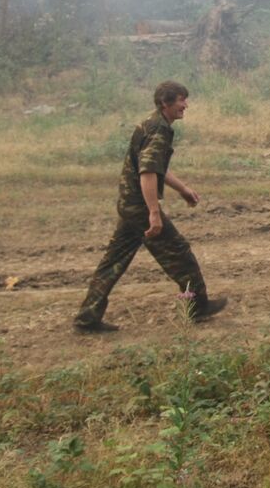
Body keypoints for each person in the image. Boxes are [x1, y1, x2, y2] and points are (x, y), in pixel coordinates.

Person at [73, 81, 228, 332]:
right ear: (166, 103)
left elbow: (156, 168)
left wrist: (182, 188)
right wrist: (154, 214)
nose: (185, 105)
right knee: (179, 254)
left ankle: (87, 318)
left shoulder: (152, 123)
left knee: (113, 262)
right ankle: (198, 308)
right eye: (180, 100)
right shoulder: (158, 129)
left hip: (129, 204)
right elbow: (147, 173)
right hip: (139, 207)